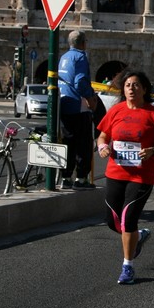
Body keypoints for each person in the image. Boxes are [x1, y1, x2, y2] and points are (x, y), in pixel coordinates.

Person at [96, 70, 154, 285]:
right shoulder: (116, 111)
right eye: (128, 85)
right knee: (113, 221)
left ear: (145, 89)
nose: (132, 88)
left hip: (142, 175)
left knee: (128, 218)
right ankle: (138, 237)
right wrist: (103, 146)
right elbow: (103, 135)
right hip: (115, 172)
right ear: (123, 89)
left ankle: (127, 266)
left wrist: (153, 151)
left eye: (136, 85)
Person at [58, 30, 99, 190]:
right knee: (83, 144)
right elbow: (80, 82)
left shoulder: (64, 57)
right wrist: (90, 98)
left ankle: (66, 177)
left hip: (64, 104)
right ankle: (81, 179)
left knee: (68, 143)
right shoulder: (80, 56)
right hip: (78, 106)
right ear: (83, 43)